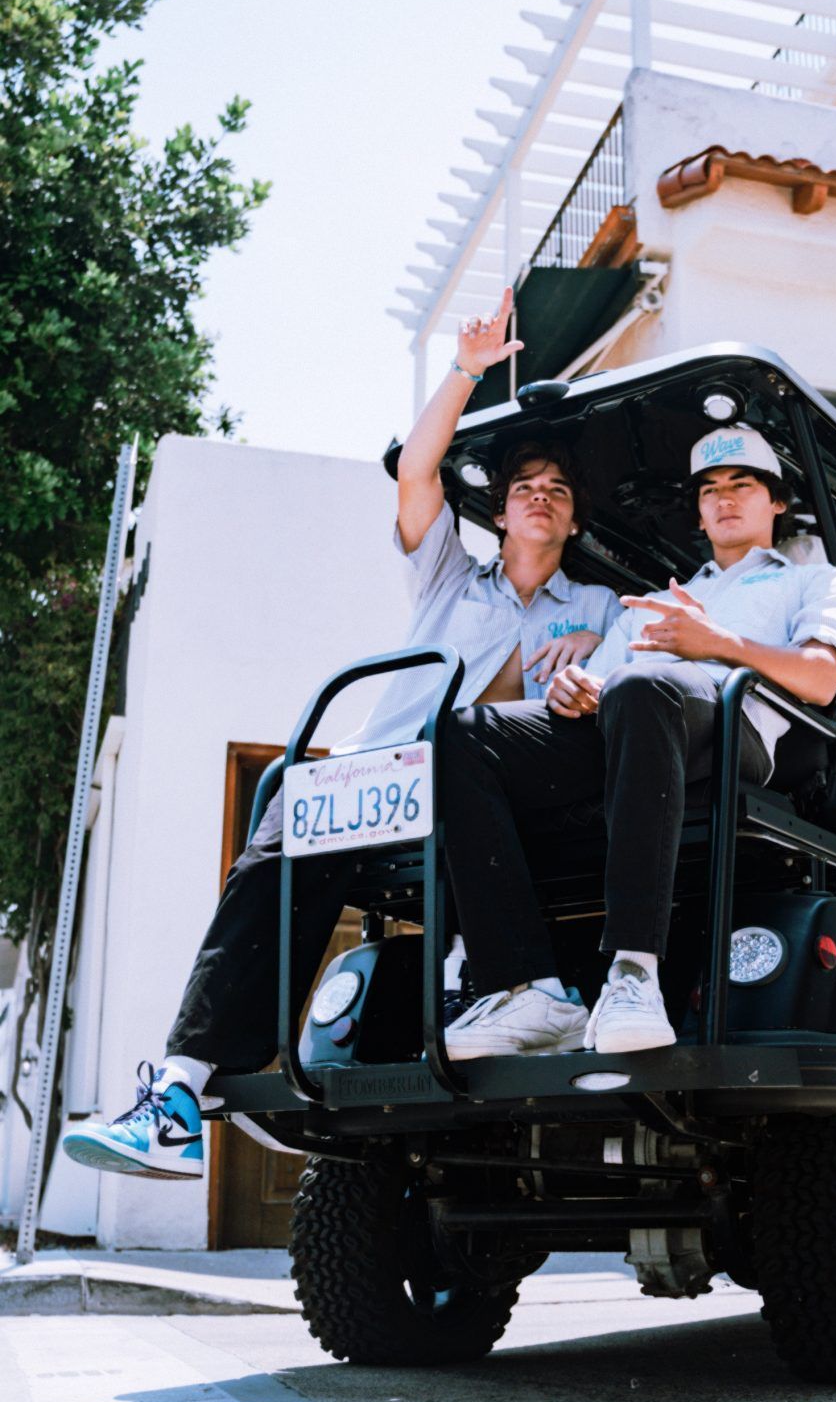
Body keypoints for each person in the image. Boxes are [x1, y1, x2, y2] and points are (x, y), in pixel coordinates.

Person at [63, 291, 622, 1180]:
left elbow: (611, 689)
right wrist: (466, 368)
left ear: (574, 519)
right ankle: (183, 1088)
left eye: (557, 492)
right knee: (280, 828)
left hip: (495, 791)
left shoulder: (598, 605)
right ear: (501, 512)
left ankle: (497, 983)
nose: (540, 500)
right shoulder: (450, 578)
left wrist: (592, 643)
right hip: (383, 778)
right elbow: (417, 472)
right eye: (524, 489)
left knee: (438, 766)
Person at [437, 422, 836, 1061]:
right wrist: (574, 687)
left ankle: (634, 972)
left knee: (642, 687)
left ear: (776, 501)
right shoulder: (658, 600)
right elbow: (603, 686)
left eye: (742, 485)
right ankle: (529, 989)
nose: (724, 499)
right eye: (710, 489)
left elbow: (823, 678)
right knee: (463, 733)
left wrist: (717, 643)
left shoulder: (814, 580)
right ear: (698, 510)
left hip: (737, 732)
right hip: (632, 723)